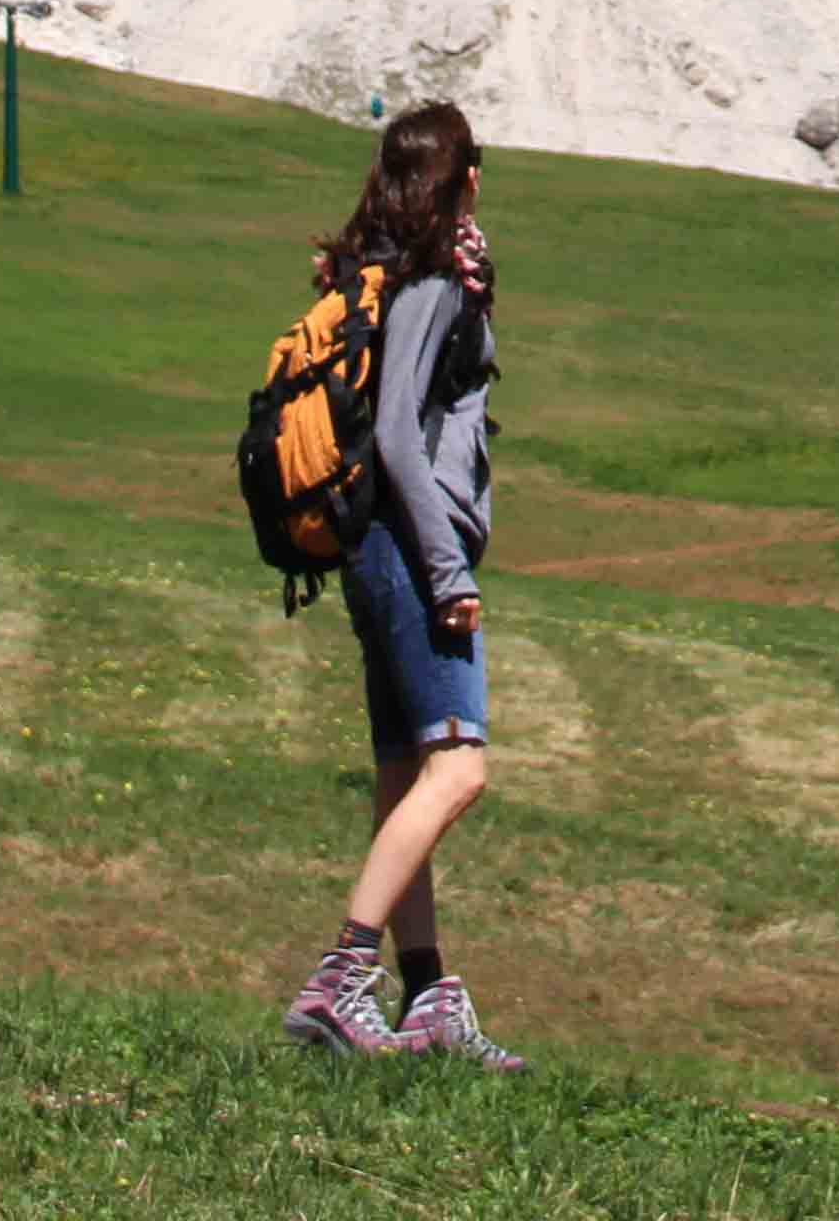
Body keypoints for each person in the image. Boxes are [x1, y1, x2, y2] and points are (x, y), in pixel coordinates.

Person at [278, 102, 525, 1066]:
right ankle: (343, 980)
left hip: (376, 552)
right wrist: (447, 569)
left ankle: (427, 1000)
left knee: (403, 776)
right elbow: (395, 439)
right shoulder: (429, 283)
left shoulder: (385, 274)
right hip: (412, 553)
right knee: (460, 768)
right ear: (462, 178)